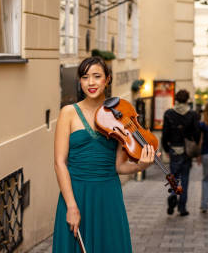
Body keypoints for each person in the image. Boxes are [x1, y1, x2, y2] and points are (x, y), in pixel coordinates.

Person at [53, 56, 157, 252]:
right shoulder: (68, 113)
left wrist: (141, 165)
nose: (90, 82)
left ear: (107, 79)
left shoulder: (120, 116)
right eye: (85, 77)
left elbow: (120, 166)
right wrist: (71, 206)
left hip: (108, 194)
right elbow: (59, 163)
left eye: (97, 76)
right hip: (76, 193)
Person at [161, 89, 200, 216]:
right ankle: (182, 208)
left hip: (174, 149)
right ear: (187, 99)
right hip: (186, 151)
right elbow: (197, 133)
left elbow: (165, 134)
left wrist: (166, 149)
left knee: (174, 177)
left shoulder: (168, 113)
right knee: (185, 179)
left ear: (176, 99)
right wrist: (196, 146)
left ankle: (173, 195)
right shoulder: (193, 114)